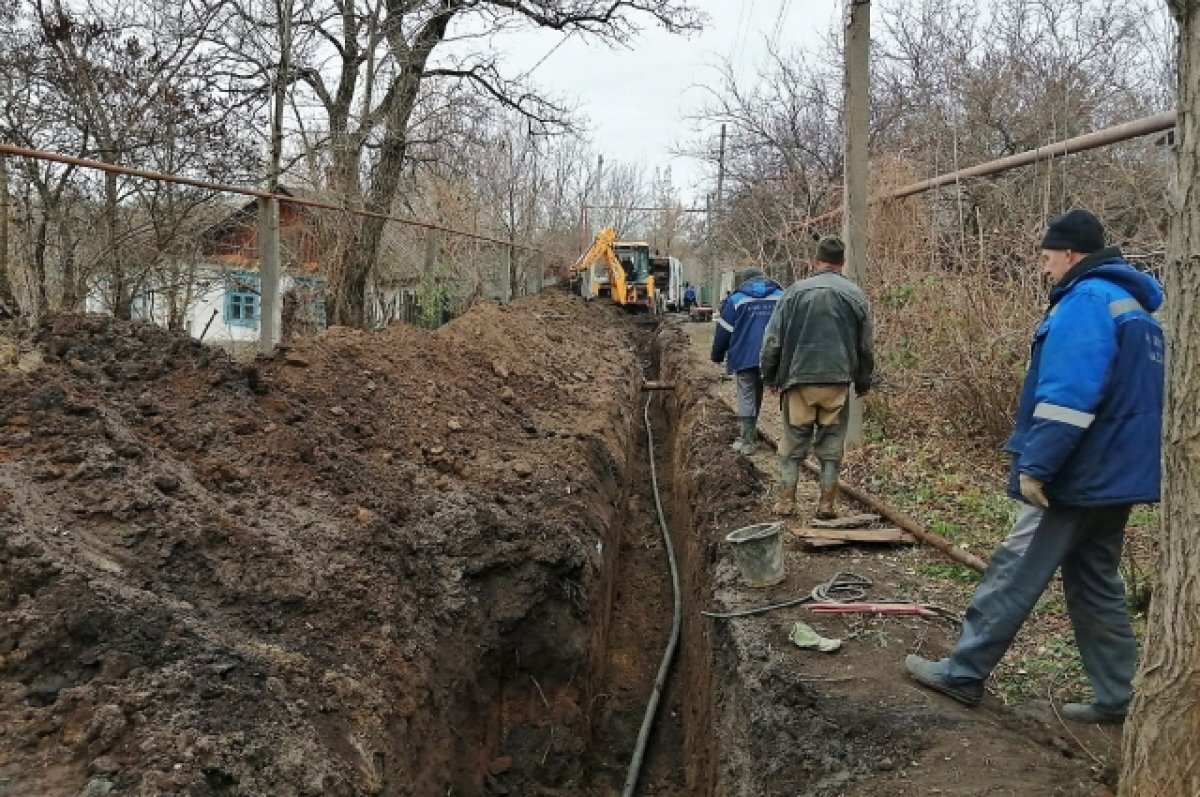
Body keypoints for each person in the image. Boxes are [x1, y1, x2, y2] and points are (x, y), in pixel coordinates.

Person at [904, 209, 1164, 725]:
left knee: (1014, 570)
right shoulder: (1134, 308)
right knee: (1096, 583)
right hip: (1118, 476)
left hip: (1076, 474)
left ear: (1069, 254)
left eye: (1047, 259)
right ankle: (1117, 695)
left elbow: (1068, 397)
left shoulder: (1085, 302)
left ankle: (963, 672)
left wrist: (1038, 466)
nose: (1044, 270)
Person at [760, 235, 874, 518]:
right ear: (842, 263)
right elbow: (865, 346)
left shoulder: (794, 292)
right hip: (836, 382)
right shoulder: (856, 295)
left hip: (799, 380)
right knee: (832, 442)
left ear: (816, 261)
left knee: (792, 441)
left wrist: (770, 375)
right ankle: (826, 505)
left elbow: (772, 340)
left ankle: (786, 501)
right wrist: (862, 380)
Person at [711, 267, 785, 454]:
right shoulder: (781, 296)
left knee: (747, 393)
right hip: (775, 356)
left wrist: (717, 355)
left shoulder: (736, 300)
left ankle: (746, 440)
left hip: (745, 355)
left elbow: (724, 331)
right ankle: (789, 442)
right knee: (760, 393)